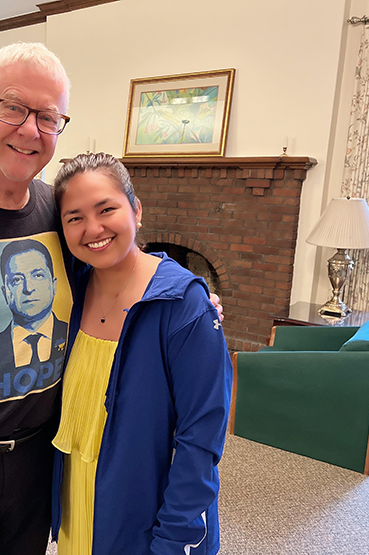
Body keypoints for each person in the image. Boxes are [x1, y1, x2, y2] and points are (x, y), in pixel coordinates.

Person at [0, 42, 224, 555]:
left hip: (39, 460)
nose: (30, 129)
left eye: (48, 117)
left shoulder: (59, 213)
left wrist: (190, 294)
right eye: (13, 106)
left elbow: (118, 269)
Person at [50, 152, 232, 555]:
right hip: (78, 500)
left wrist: (173, 538)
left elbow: (200, 442)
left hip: (144, 515)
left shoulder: (184, 308)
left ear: (136, 209)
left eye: (106, 209)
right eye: (74, 217)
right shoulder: (70, 291)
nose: (92, 228)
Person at [0, 238, 68, 401]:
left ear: (54, 284)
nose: (28, 288)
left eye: (38, 275)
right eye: (16, 280)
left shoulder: (73, 333)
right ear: (5, 292)